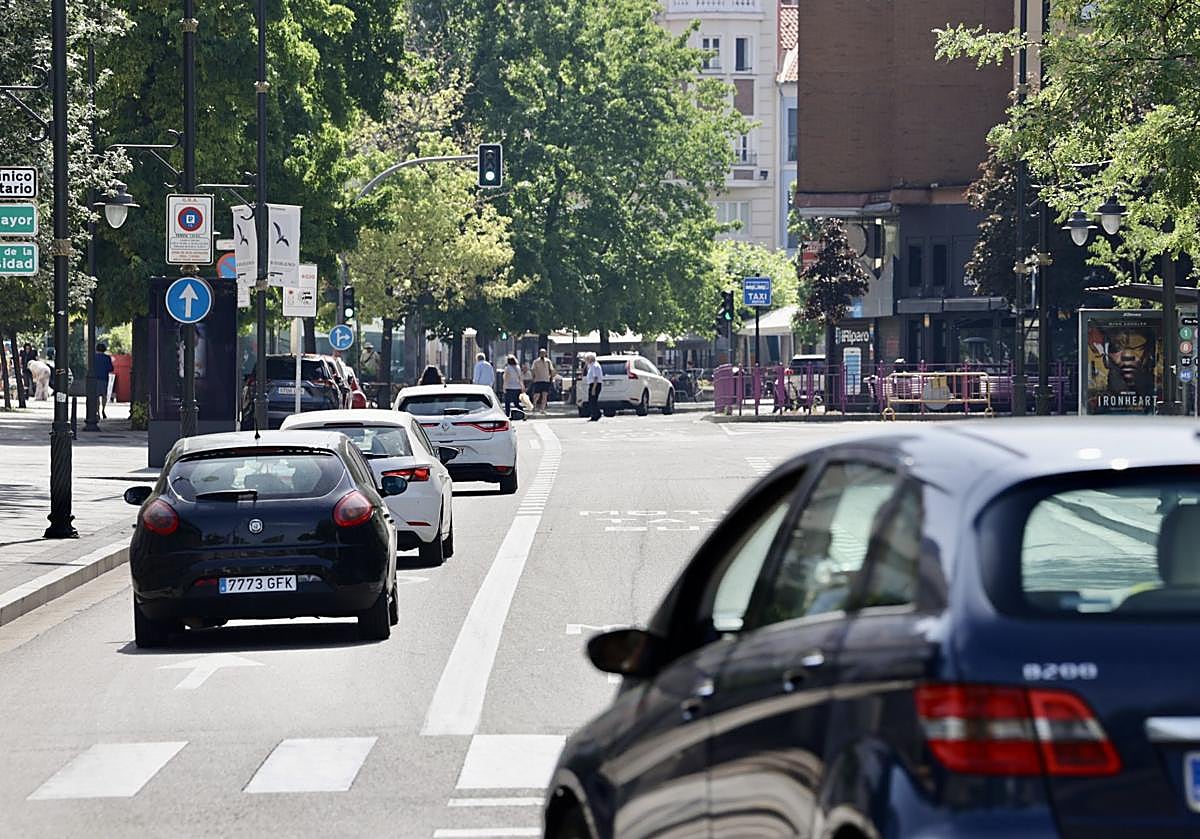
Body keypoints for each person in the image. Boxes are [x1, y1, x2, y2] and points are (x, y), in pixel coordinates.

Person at [94, 341, 114, 419]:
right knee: (103, 395)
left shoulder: (94, 357)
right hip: (104, 378)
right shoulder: (107, 358)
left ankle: (97, 412)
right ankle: (103, 410)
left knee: (96, 396)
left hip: (95, 378)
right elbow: (111, 368)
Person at [530, 348, 553, 413]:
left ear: (545, 354)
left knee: (545, 395)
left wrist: (551, 377)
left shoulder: (548, 361)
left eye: (544, 353)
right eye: (541, 353)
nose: (543, 354)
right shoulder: (536, 361)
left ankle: (542, 409)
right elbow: (532, 370)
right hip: (538, 380)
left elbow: (551, 370)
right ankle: (534, 406)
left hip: (546, 380)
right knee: (537, 395)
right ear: (539, 354)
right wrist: (533, 377)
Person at [584, 351, 604, 421]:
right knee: (592, 400)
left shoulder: (595, 366)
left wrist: (593, 388)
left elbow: (596, 378)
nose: (586, 360)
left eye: (587, 359)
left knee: (593, 400)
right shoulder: (591, 366)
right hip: (593, 384)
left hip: (595, 384)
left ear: (591, 359)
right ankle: (596, 414)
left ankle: (596, 414)